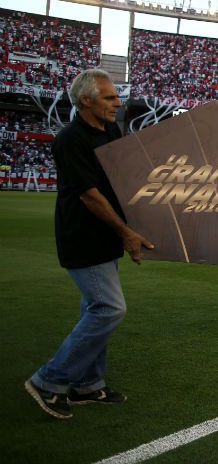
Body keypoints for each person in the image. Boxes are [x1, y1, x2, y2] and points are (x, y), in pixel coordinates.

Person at [25, 69, 154, 419]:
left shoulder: (110, 131)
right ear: (86, 101)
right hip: (81, 235)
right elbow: (90, 197)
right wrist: (127, 232)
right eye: (110, 97)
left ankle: (87, 385)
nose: (118, 102)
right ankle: (49, 381)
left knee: (93, 308)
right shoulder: (70, 139)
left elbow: (123, 176)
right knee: (109, 308)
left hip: (104, 236)